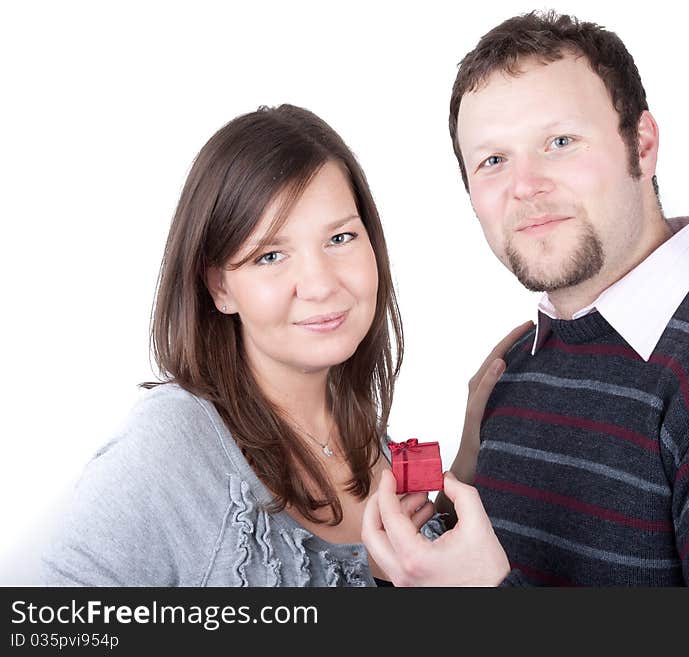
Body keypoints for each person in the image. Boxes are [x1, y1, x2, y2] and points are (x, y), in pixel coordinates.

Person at [362, 11, 689, 586]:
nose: (525, 185)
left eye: (560, 142)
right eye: (493, 160)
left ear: (643, 145)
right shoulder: (519, 371)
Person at [40, 104, 476, 586]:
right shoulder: (171, 448)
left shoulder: (377, 446)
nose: (319, 283)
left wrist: (475, 456)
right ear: (220, 287)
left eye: (340, 238)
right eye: (271, 255)